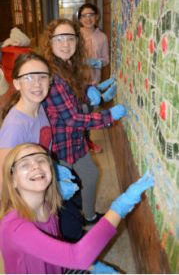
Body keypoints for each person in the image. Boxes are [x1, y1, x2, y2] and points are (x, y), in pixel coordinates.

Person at [0, 142, 154, 274]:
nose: (35, 166)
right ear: (12, 180)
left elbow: (59, 253)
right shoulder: (16, 228)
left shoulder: (48, 207)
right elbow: (77, 257)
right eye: (24, 164)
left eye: (41, 160)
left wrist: (90, 266)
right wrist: (120, 206)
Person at [40, 18, 127, 225]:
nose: (65, 44)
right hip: (61, 146)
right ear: (50, 43)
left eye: (70, 38)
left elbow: (75, 100)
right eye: (59, 38)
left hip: (75, 140)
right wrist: (108, 116)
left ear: (77, 41)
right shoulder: (53, 77)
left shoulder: (68, 66)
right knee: (61, 197)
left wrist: (89, 89)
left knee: (90, 174)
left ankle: (87, 215)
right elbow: (72, 118)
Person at [0, 53, 84, 242]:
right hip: (30, 201)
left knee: (74, 221)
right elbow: (3, 179)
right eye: (28, 77)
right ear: (16, 83)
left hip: (45, 186)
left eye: (42, 77)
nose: (37, 84)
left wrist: (54, 169)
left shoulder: (39, 107)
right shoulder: (15, 127)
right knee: (70, 233)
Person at [78, 2, 110, 153]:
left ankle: (87, 141)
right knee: (77, 112)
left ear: (96, 18)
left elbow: (106, 59)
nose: (88, 18)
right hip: (76, 81)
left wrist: (98, 62)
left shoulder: (102, 37)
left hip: (93, 82)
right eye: (84, 16)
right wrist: (82, 62)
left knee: (87, 112)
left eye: (91, 15)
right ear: (80, 19)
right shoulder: (75, 36)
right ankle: (81, 141)